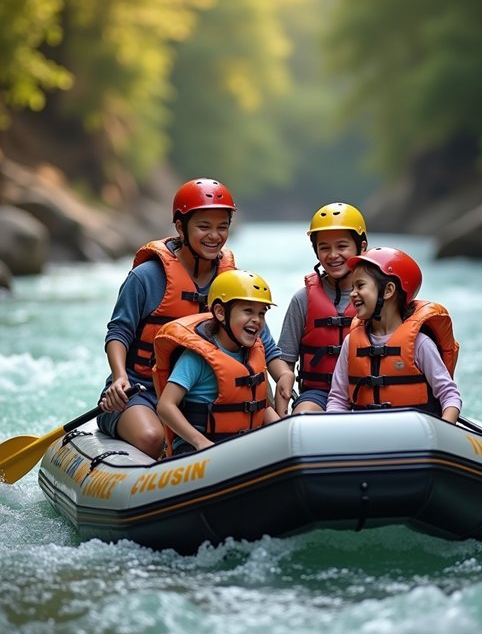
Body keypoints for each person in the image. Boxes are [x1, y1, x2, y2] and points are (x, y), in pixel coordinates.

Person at [98, 178, 293, 458]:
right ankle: (119, 426)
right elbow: (119, 332)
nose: (214, 236)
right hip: (140, 390)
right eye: (204, 226)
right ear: (180, 227)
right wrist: (119, 378)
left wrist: (284, 374)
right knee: (153, 439)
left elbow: (264, 341)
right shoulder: (146, 277)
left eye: (222, 227)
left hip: (203, 392)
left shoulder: (232, 281)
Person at [326, 246, 461, 422]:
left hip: (415, 434)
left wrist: (445, 429)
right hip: (366, 432)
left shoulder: (420, 343)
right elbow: (337, 399)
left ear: (388, 291)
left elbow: (449, 395)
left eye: (360, 285)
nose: (352, 293)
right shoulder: (351, 342)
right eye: (352, 287)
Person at [154, 270, 280, 454]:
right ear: (220, 312)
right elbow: (166, 406)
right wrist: (200, 443)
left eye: (261, 314)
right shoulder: (196, 358)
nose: (257, 320)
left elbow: (261, 407)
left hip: (240, 448)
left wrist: (283, 430)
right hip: (198, 448)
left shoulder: (252, 354)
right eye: (248, 311)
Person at [276, 202, 368, 415]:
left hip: (367, 390)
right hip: (318, 393)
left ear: (361, 247)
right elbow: (285, 361)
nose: (333, 255)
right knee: (304, 413)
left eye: (342, 246)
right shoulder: (303, 299)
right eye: (324, 247)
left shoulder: (378, 298)